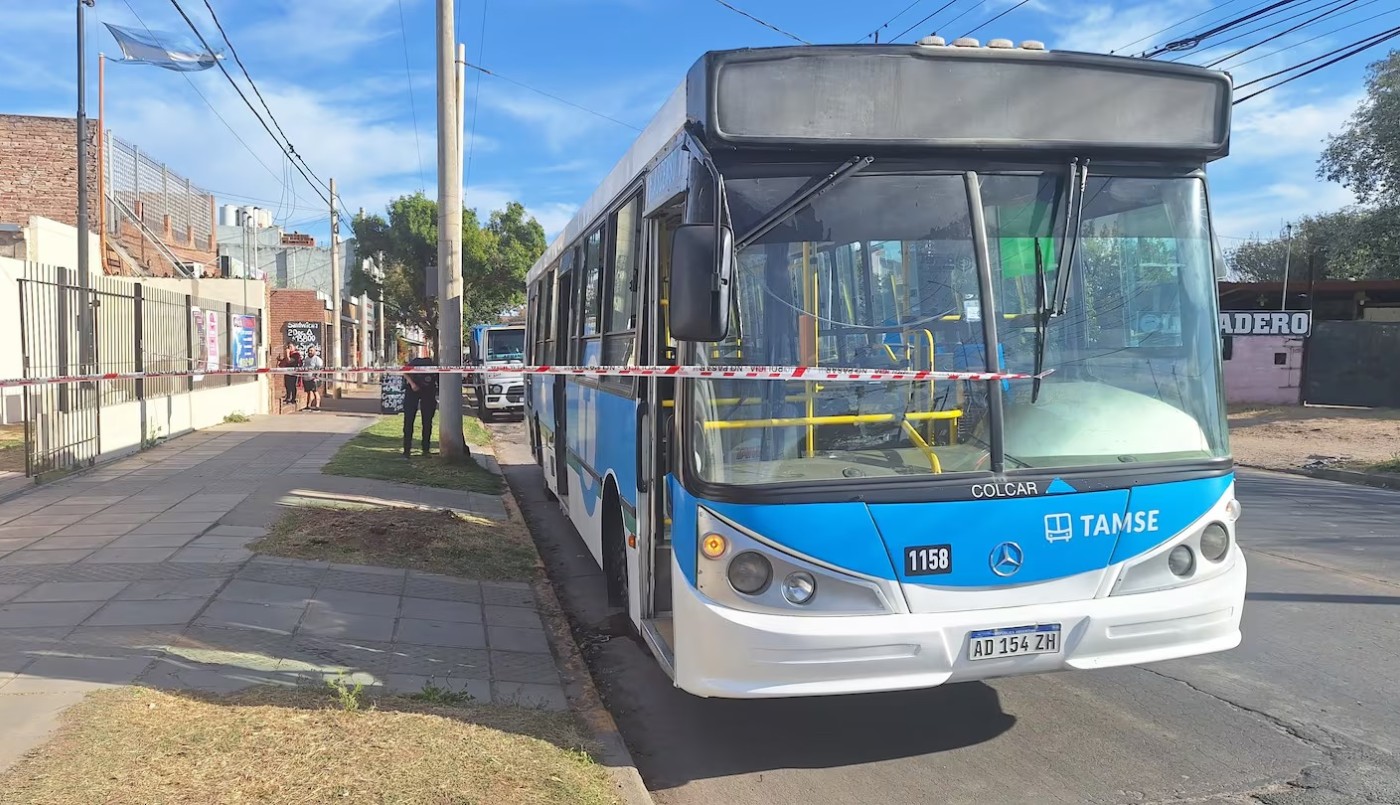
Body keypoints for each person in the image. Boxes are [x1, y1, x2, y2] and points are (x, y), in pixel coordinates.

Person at [401, 354, 439, 457]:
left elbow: (439, 381)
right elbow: (404, 371)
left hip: (427, 391)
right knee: (410, 420)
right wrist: (412, 384)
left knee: (426, 421)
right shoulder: (416, 364)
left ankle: (424, 449)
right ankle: (408, 450)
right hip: (412, 390)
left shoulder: (433, 367)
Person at [302, 346, 324, 411]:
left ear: (314, 351)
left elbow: (320, 368)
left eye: (311, 350)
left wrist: (316, 376)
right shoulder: (306, 359)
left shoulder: (317, 359)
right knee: (308, 392)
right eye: (309, 350)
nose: (310, 352)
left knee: (315, 392)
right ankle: (308, 406)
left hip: (313, 378)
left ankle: (317, 406)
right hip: (306, 378)